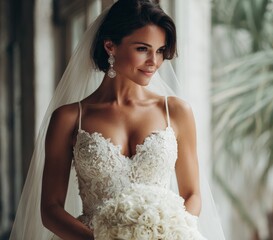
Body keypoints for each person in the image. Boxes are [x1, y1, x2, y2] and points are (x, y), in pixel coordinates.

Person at [10, 0, 225, 239]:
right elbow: (50, 209)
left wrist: (172, 232)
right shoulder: (69, 118)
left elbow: (192, 193)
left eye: (161, 50)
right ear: (111, 46)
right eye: (143, 49)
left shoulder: (175, 111)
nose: (154, 61)